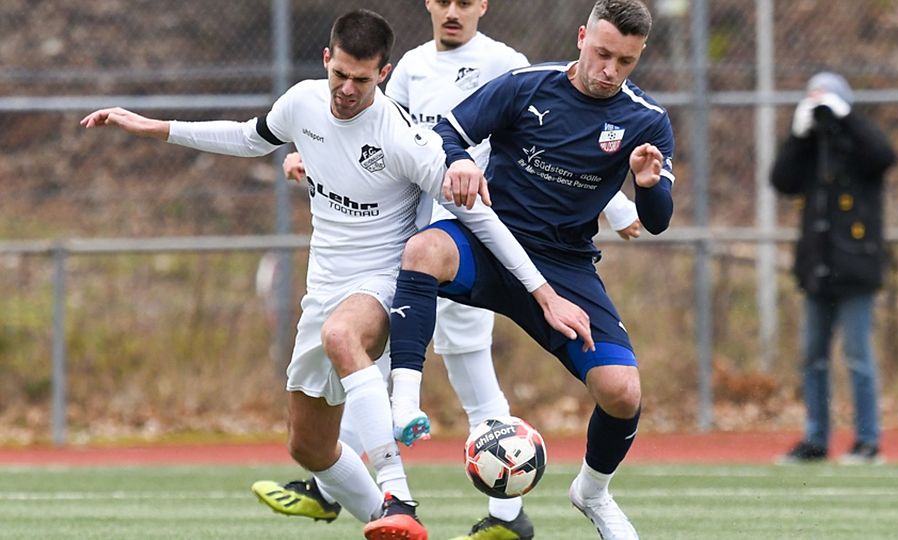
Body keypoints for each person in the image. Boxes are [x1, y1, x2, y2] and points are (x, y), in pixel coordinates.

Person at [80, 9, 592, 540]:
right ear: (326, 60)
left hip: (384, 283)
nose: (346, 90)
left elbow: (479, 216)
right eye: (339, 75)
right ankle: (385, 519)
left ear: (384, 74)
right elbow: (249, 136)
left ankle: (399, 495)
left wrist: (544, 293)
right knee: (309, 447)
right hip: (322, 289)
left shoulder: (403, 138)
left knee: (342, 336)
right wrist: (154, 127)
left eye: (362, 79)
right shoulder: (302, 102)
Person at [257, 2, 644, 539]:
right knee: (372, 362)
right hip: (425, 233)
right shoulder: (412, 64)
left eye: (467, 0)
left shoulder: (505, 61)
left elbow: (564, 138)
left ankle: (504, 515)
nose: (455, 10)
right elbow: (381, 134)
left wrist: (621, 208)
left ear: (483, 5)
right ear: (430, 5)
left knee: (466, 363)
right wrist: (320, 158)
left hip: (485, 232)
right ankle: (345, 488)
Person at [386, 1, 674, 538]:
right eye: (602, 53)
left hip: (565, 268)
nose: (609, 70)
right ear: (582, 36)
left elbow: (657, 223)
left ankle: (592, 492)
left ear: (639, 58)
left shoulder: (646, 120)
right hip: (487, 245)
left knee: (622, 392)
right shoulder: (526, 85)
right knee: (422, 251)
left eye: (625, 61)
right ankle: (404, 400)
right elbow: (448, 131)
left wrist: (649, 185)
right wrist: (462, 160)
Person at [771, 72, 896, 465]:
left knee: (858, 355)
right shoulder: (811, 148)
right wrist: (799, 134)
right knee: (813, 356)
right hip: (818, 268)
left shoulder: (858, 144)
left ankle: (867, 439)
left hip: (855, 267)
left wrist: (847, 118)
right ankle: (816, 438)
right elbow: (782, 179)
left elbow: (884, 156)